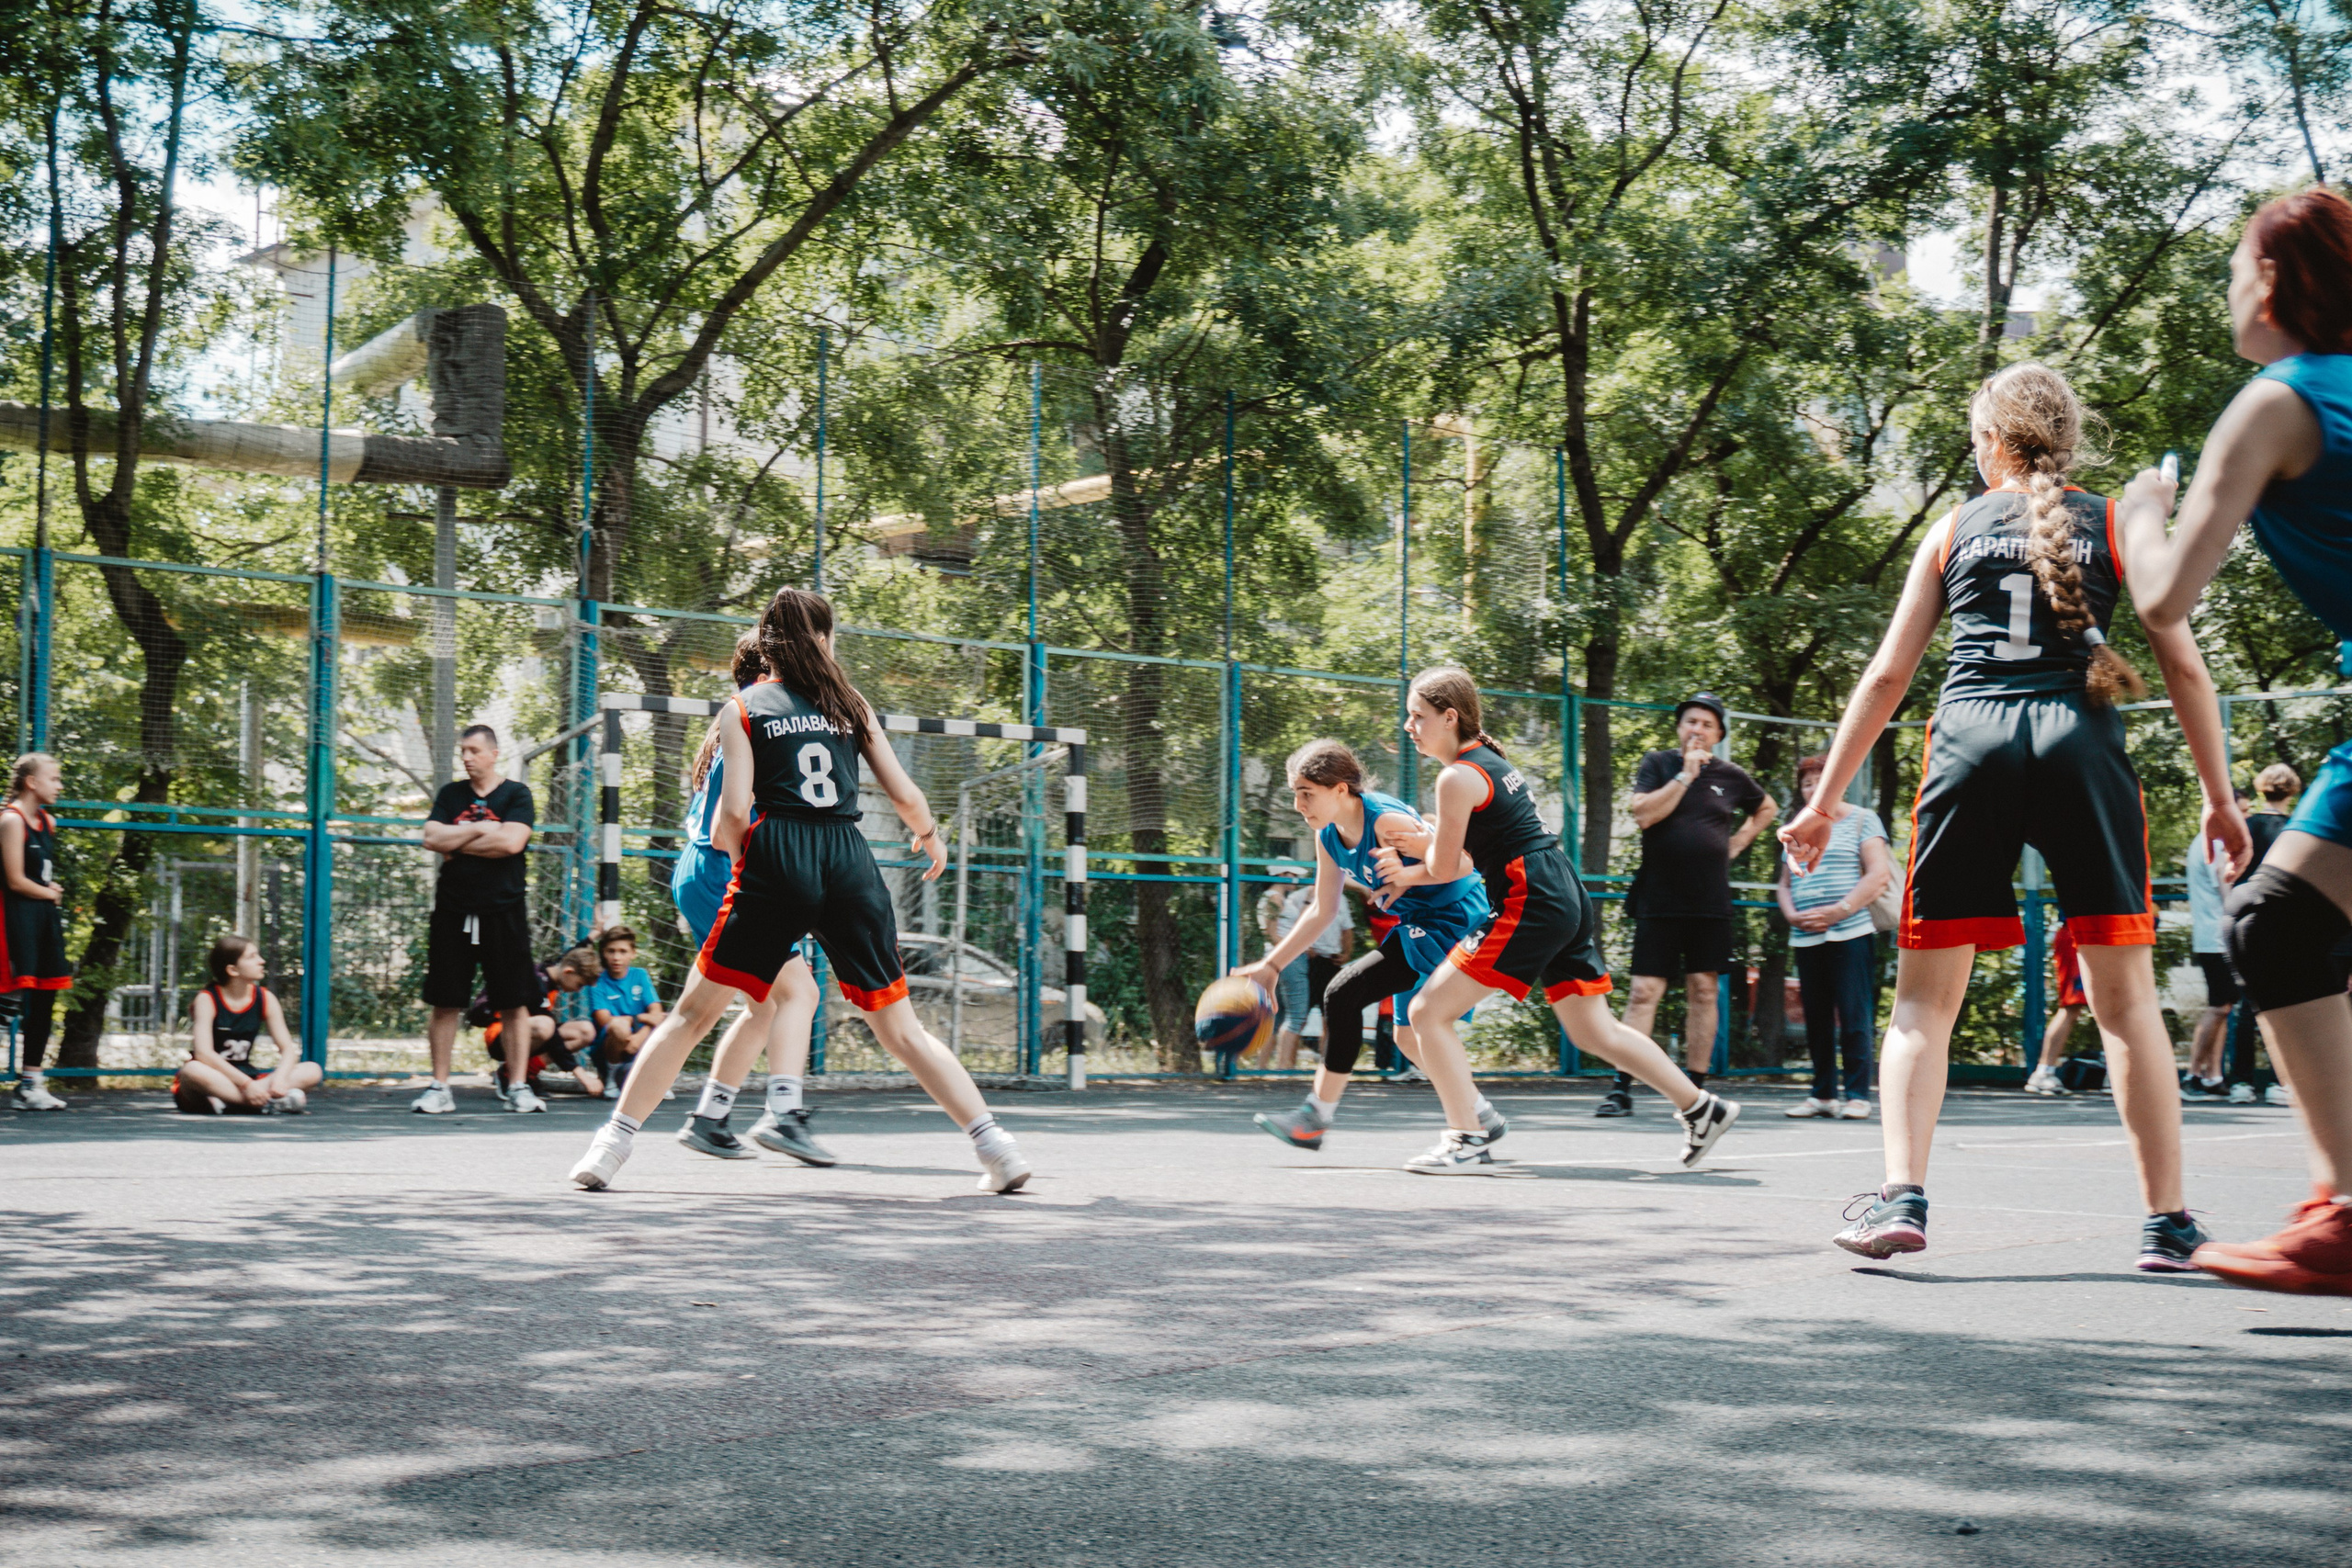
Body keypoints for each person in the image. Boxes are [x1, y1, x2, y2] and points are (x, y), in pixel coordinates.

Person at [1781, 360, 2246, 1273]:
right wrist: (2219, 799)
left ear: (1988, 444)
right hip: (2080, 742)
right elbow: (2187, 670)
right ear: (2067, 443)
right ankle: (2166, 1222)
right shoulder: (2115, 520)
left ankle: (1901, 1198)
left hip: (1970, 742)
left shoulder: (1951, 528)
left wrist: (1826, 800)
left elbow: (1885, 677)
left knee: (1923, 1002)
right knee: (2123, 1004)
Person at [568, 587, 1031, 1193]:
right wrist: (930, 836)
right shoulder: (849, 702)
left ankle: (609, 1148)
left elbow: (732, 813)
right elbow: (905, 793)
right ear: (824, 638)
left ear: (768, 644)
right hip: (847, 858)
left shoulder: (743, 706)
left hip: (778, 858)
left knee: (691, 1015)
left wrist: (744, 863)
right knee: (901, 1030)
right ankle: (997, 1149)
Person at [2110, 185, 2352, 1293]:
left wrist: (2140, 506)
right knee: (2294, 922)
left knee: (2280, 920)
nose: (2226, 292)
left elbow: (2161, 599)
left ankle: (2343, 1210)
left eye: (2231, 270)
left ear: (2269, 281)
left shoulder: (2276, 400)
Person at [1369, 668, 1742, 1173]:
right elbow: (1464, 856)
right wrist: (1424, 851)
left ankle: (1468, 1136)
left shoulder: (1456, 775)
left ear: (1449, 716)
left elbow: (1442, 867)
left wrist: (1405, 868)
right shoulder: (1487, 762)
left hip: (1531, 897)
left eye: (1418, 715)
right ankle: (1702, 1107)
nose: (1409, 725)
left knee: (1426, 1014)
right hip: (1560, 890)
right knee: (1594, 1031)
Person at [1233, 739, 1495, 1152]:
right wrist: (1271, 966)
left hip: (1457, 917)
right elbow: (1322, 908)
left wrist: (1410, 875)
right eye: (1295, 794)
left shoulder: (1386, 822)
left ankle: (1316, 1116)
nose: (1300, 805)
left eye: (1307, 794)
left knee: (1343, 993)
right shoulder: (1328, 838)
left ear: (1341, 789)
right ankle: (1479, 1113)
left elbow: (1464, 862)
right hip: (1420, 922)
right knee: (1410, 1039)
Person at [666, 630, 835, 1168]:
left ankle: (711, 1118)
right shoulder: (760, 723)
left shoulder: (732, 724)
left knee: (758, 1007)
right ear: (769, 673)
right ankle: (785, 1112)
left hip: (697, 874)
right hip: (722, 872)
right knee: (799, 994)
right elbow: (731, 824)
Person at [1604, 693, 1777, 1116]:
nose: (1696, 729)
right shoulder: (1658, 764)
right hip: (1659, 897)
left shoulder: (1731, 775)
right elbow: (1644, 814)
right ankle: (1621, 1087)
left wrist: (1738, 841)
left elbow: (1767, 808)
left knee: (1704, 990)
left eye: (1706, 724)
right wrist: (1684, 776)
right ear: (1679, 728)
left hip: (1709, 899)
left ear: (1718, 734)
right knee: (1645, 991)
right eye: (1690, 722)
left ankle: (1695, 1093)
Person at [416, 725, 539, 1114]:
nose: (466, 757)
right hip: (453, 910)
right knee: (444, 1001)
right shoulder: (450, 794)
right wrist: (484, 828)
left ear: (493, 753)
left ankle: (519, 1085)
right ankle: (439, 1087)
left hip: (505, 911)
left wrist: (460, 837)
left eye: (473, 750)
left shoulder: (516, 794)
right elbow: (431, 839)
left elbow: (512, 842)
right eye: (462, 751)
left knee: (514, 1002)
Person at [1774, 752, 1888, 1119]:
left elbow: (1878, 874)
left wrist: (1841, 910)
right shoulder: (1797, 827)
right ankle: (1822, 1094)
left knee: (1854, 1015)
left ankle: (1857, 1095)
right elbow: (1784, 884)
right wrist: (1792, 915)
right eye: (1806, 782)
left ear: (1837, 784)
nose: (1812, 788)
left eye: (1819, 781)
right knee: (1817, 1017)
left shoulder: (1862, 819)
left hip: (1851, 932)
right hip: (1807, 937)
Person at [2220, 766, 2301, 1104]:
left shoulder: (2247, 827)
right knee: (2287, 1005)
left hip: (2247, 919)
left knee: (2245, 1005)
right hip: (2286, 922)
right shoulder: (2297, 830)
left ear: (2261, 789)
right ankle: (2281, 1081)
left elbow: (2229, 875)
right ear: (2292, 791)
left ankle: (2240, 1081)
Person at [171, 934, 320, 1114]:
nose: (261, 961)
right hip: (212, 1081)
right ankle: (264, 1102)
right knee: (192, 1070)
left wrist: (279, 1079)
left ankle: (240, 1102)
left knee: (312, 1070)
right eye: (252, 957)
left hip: (249, 1080)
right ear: (233, 970)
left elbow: (288, 1049)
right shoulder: (207, 998)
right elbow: (204, 1054)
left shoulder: (265, 998)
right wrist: (246, 1085)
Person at [2, 753, 71, 1111]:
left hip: (43, 919)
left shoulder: (48, 822)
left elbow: (38, 873)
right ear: (32, 782)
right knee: (6, 1004)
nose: (59, 786)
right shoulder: (11, 821)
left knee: (44, 1001)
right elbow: (15, 881)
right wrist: (51, 892)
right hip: (13, 920)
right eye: (54, 779)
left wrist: (49, 887)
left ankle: (31, 1084)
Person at [2181, 791, 2256, 1099]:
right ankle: (2192, 1075)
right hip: (2217, 939)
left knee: (2224, 1007)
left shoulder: (2201, 841)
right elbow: (2228, 894)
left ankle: (2212, 1076)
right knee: (2218, 1007)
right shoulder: (2215, 844)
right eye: (2243, 811)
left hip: (2209, 936)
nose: (2247, 818)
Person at [1254, 864, 1355, 1072]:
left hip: (1294, 960)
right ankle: (1283, 1068)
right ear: (1281, 874)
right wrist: (1296, 948)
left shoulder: (1281, 898)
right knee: (1296, 1017)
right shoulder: (1275, 898)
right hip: (1292, 961)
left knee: (1279, 1015)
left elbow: (1296, 925)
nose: (1294, 879)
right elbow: (1273, 934)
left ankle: (1262, 1067)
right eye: (1291, 875)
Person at [475, 946, 602, 1098]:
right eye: (580, 984)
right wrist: (581, 1074)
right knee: (545, 1026)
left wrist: (594, 934)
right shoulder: (537, 983)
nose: (578, 990)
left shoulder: (552, 972)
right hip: (500, 1035)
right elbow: (553, 1039)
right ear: (568, 971)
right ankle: (510, 1075)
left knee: (585, 1031)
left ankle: (527, 1072)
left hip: (525, 1032)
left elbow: (573, 955)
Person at [585, 926, 666, 1093]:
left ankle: (659, 1079)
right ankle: (611, 1077)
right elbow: (604, 1020)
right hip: (611, 1045)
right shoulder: (597, 980)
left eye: (623, 951)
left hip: (638, 1037)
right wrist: (635, 1019)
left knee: (672, 1019)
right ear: (603, 953)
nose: (616, 957)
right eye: (611, 951)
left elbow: (657, 1013)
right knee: (619, 1026)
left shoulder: (640, 975)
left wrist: (639, 1038)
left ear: (633, 953)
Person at [2025, 922, 2090, 1096]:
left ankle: (2118, 1074)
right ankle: (2043, 1072)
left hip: (2106, 936)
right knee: (2072, 1006)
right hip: (2080, 934)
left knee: (2116, 1007)